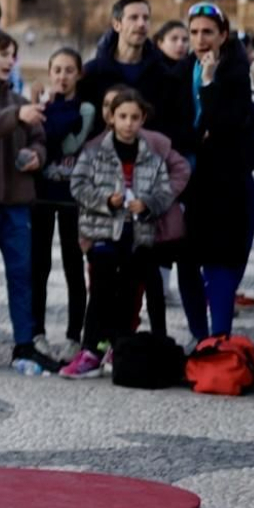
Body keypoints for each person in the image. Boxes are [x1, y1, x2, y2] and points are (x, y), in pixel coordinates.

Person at [0, 31, 61, 373]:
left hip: (18, 201)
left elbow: (39, 140)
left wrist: (37, 155)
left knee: (22, 273)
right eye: (2, 53)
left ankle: (24, 343)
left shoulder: (20, 101)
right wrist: (16, 118)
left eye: (13, 54)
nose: (9, 61)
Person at [63, 88, 177, 378]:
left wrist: (148, 204)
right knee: (100, 289)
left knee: (128, 292)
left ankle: (119, 344)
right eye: (122, 116)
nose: (128, 123)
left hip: (137, 234)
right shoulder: (93, 151)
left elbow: (165, 190)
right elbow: (77, 186)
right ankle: (90, 349)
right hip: (102, 232)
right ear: (111, 118)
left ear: (143, 120)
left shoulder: (151, 157)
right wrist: (105, 200)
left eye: (134, 117)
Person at [181, 1, 254, 341]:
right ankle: (201, 340)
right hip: (192, 180)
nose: (200, 39)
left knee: (221, 262)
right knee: (186, 261)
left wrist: (210, 83)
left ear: (223, 35)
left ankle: (219, 339)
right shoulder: (184, 69)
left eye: (208, 32)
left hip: (226, 182)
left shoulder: (235, 73)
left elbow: (226, 123)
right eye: (194, 32)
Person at [29, 48, 94, 360]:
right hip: (40, 197)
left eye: (69, 70)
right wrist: (42, 107)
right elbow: (39, 137)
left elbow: (65, 140)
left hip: (72, 200)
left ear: (79, 74)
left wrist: (49, 109)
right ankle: (36, 331)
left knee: (73, 267)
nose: (62, 76)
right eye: (57, 70)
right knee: (38, 266)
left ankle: (73, 335)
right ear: (49, 72)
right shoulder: (39, 108)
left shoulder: (85, 110)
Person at [78, 0, 195, 155]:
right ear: (117, 24)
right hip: (101, 163)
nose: (141, 23)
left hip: (149, 166)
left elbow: (175, 126)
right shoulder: (93, 73)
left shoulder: (163, 76)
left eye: (146, 18)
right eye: (134, 17)